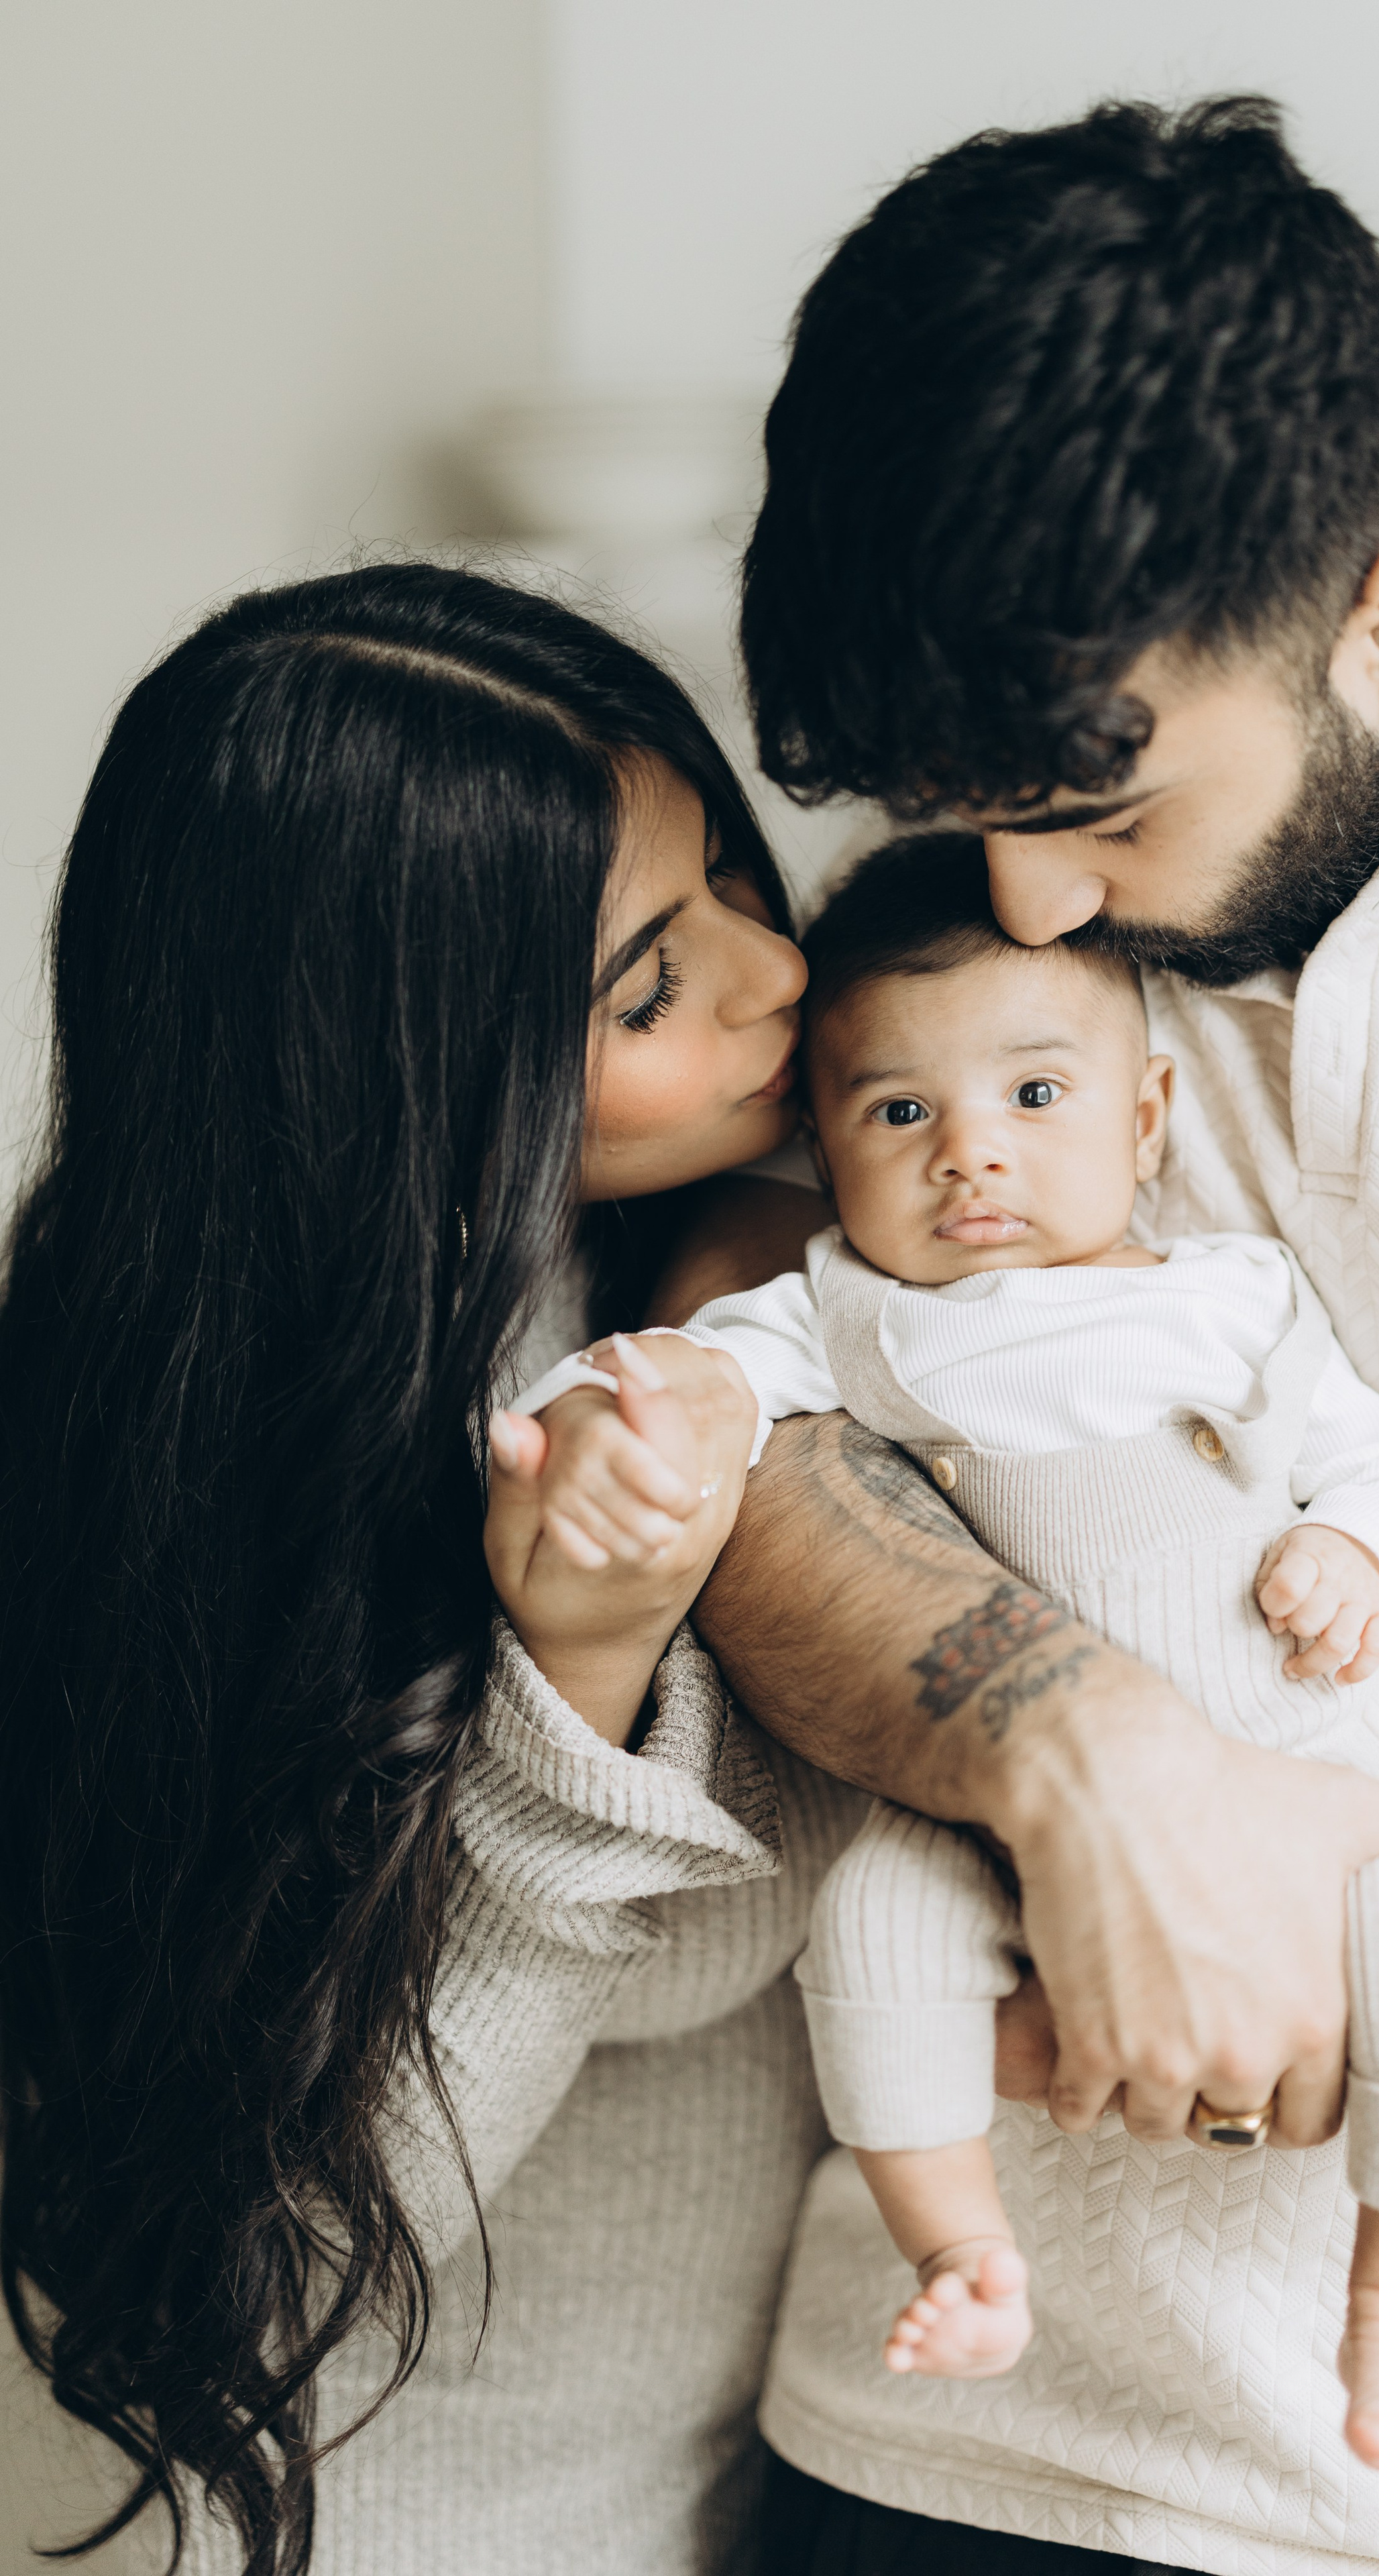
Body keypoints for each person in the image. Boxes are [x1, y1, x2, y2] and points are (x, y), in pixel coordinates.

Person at [635, 90, 1379, 2575]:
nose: (1026, 899)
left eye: (1104, 816)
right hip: (911, 2453)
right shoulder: (1035, 911)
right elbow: (724, 1313)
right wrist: (1092, 1762)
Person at [0, 562, 864, 2576]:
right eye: (648, 991)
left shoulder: (687, 1251)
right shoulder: (234, 1471)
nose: (769, 977)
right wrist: (575, 1686)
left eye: (736, 872)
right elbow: (283, 2261)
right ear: (394, 1072)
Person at [663, 833, 1379, 2510]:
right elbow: (698, 1383)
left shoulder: (1232, 1301)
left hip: (1298, 1784)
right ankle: (960, 2250)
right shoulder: (851, 1314)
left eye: (1034, 1098)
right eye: (896, 1114)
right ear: (824, 1152)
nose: (968, 1156)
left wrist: (1355, 1551)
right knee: (868, 1926)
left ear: (1144, 1123)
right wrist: (625, 1421)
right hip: (983, 1805)